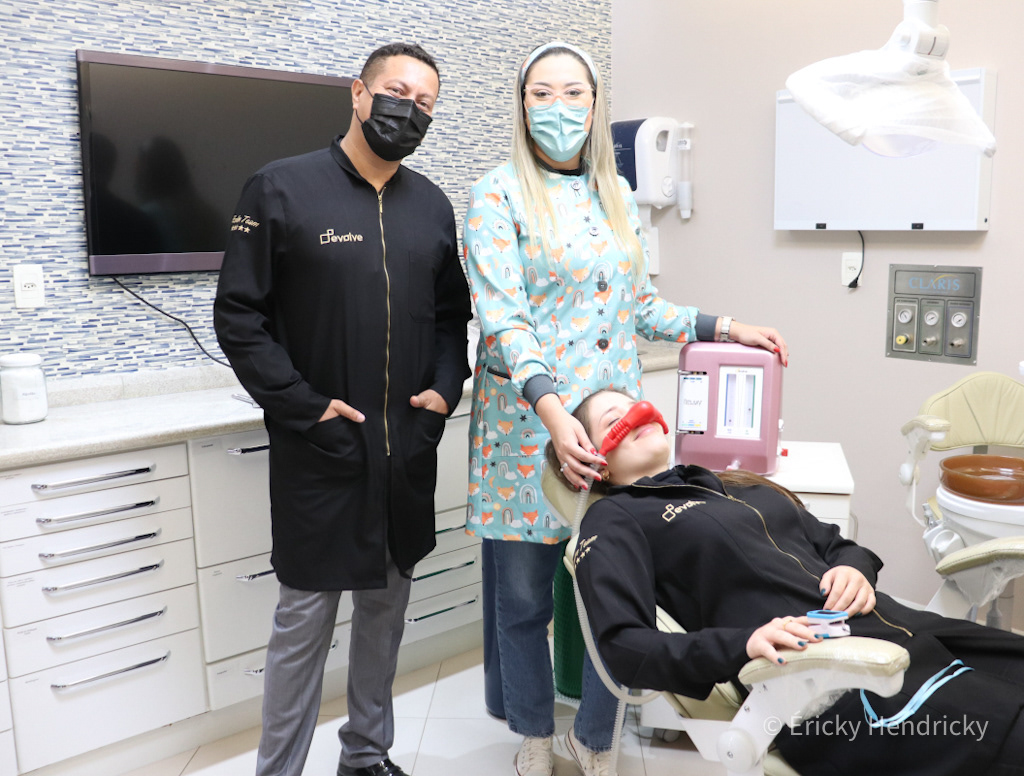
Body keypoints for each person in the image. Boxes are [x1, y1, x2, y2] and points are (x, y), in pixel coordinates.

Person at [462, 40, 789, 776]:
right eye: (541, 94)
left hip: (613, 431)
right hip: (527, 430)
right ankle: (534, 736)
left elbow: (641, 307)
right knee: (524, 603)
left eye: (572, 93)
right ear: (521, 106)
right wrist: (554, 415)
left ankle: (596, 740)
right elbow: (505, 320)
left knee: (615, 598)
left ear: (594, 104)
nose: (557, 107)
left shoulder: (615, 195)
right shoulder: (496, 195)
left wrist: (726, 326)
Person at [214, 43, 471, 776]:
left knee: (385, 617)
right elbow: (239, 317)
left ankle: (365, 754)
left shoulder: (431, 205)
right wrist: (304, 408)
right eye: (397, 91)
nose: (408, 110)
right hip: (322, 455)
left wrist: (443, 393)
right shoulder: (281, 188)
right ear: (358, 93)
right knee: (303, 625)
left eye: (425, 103)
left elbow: (452, 318)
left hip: (405, 451)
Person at [563, 388, 1024, 776]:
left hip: (904, 628)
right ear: (594, 460)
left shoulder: (732, 485)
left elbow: (836, 543)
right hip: (832, 681)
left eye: (634, 405)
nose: (635, 414)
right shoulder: (615, 517)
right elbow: (625, 647)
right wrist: (744, 643)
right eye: (613, 420)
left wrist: (854, 568)